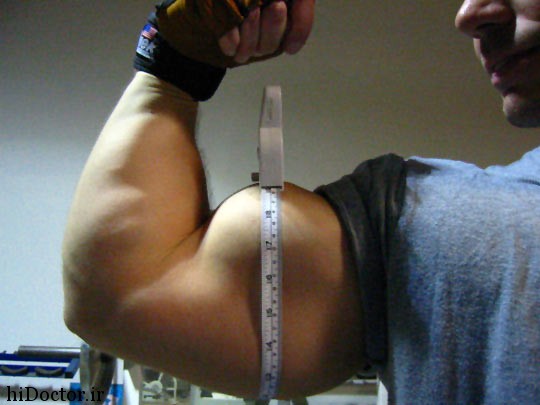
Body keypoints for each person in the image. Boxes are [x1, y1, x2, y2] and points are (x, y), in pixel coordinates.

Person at [62, 0, 539, 403]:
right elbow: (125, 295)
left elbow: (119, 295)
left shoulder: (444, 217)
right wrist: (176, 63)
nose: (470, 14)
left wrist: (170, 71)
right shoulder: (438, 221)